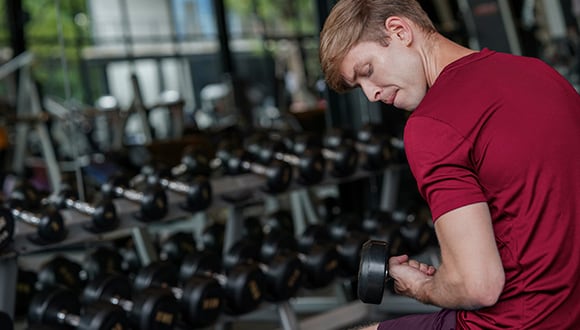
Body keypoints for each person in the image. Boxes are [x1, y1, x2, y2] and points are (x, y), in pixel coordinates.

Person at [319, 1, 580, 329]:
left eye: (367, 72)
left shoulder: (431, 124)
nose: (370, 94)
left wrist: (421, 286)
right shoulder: (541, 73)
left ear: (400, 31)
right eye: (360, 87)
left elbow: (478, 286)